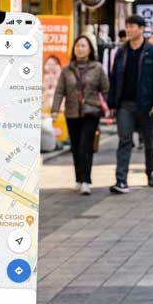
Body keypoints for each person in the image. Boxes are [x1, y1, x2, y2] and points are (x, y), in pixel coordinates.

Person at [106, 15, 153, 193]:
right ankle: (121, 180)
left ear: (142, 29)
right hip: (124, 104)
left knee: (150, 141)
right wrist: (112, 104)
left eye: (132, 26)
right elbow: (114, 79)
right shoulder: (121, 52)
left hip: (147, 105)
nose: (129, 29)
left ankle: (150, 172)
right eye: (127, 26)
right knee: (124, 140)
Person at [51, 35, 110, 195]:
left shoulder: (97, 68)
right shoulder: (67, 69)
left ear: (90, 49)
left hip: (91, 112)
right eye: (77, 46)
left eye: (83, 46)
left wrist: (109, 107)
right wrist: (55, 111)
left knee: (86, 146)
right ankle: (79, 178)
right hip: (72, 113)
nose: (80, 48)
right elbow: (59, 92)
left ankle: (86, 181)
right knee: (76, 147)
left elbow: (105, 89)